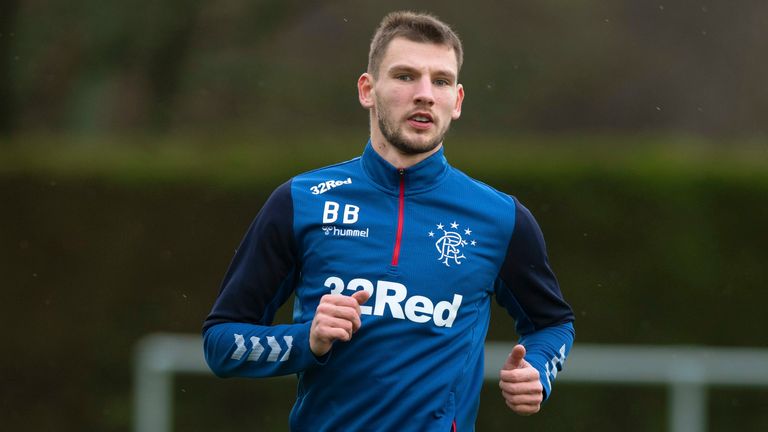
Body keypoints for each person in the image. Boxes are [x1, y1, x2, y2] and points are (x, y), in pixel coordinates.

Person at [203, 10, 575, 431]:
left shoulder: (501, 218)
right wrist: (307, 340)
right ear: (367, 90)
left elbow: (553, 324)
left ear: (457, 101)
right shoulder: (300, 201)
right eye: (404, 76)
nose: (425, 94)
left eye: (441, 81)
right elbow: (221, 345)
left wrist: (539, 370)